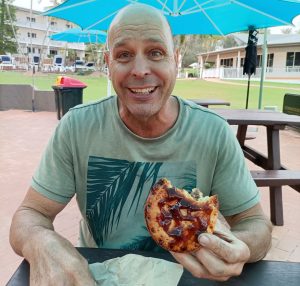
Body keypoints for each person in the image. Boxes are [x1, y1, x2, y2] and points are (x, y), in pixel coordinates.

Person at [10, 3, 272, 285]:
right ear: (109, 64)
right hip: (99, 276)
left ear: (176, 58)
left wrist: (239, 247)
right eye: (124, 55)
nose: (140, 70)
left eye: (156, 53)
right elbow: (30, 215)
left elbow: (256, 225)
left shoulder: (213, 132)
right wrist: (42, 241)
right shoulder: (76, 128)